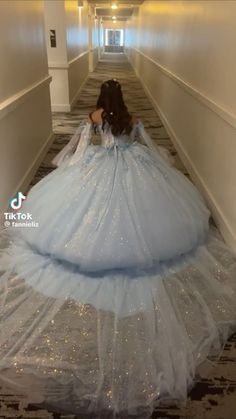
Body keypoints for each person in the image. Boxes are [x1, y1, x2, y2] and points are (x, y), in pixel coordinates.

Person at [0, 79, 235, 418]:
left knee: (70, 214)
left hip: (100, 166)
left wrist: (71, 167)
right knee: (141, 215)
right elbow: (150, 147)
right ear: (121, 99)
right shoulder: (132, 116)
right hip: (132, 167)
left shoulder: (94, 117)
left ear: (100, 99)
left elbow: (79, 150)